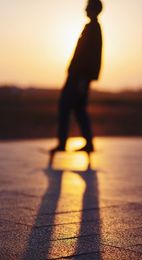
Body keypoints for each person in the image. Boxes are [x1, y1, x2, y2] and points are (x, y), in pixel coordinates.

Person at [51, 0, 103, 154]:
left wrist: (82, 79)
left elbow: (90, 57)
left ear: (94, 9)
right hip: (80, 76)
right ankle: (88, 143)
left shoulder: (93, 29)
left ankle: (62, 143)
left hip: (79, 76)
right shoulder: (92, 28)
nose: (85, 9)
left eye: (88, 7)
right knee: (79, 109)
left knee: (65, 106)